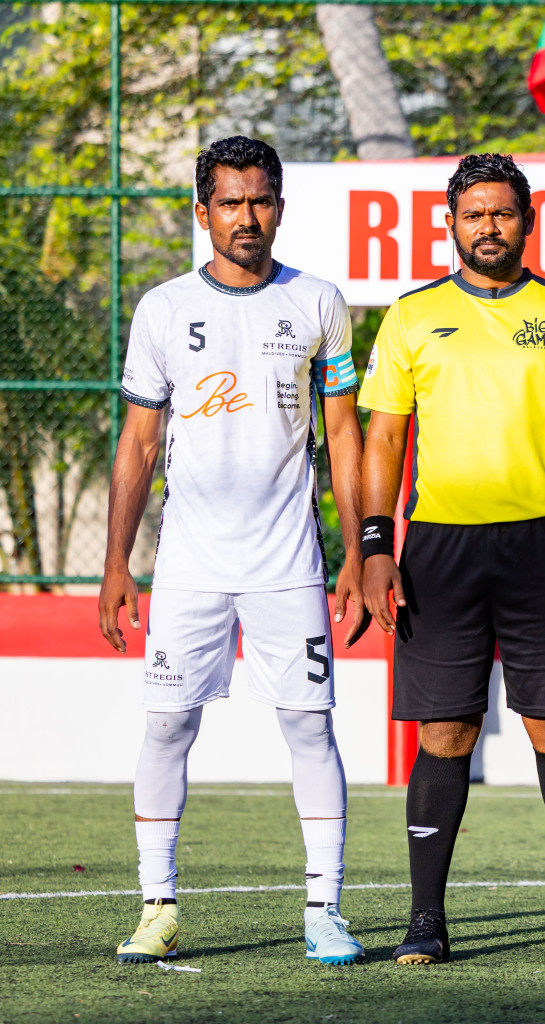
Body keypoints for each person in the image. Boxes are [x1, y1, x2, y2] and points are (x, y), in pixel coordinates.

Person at [98, 136, 368, 966]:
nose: (245, 217)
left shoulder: (318, 302)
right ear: (201, 211)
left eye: (259, 201)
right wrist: (116, 563)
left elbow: (344, 436)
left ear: (279, 208)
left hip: (289, 563)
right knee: (167, 724)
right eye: (229, 202)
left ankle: (324, 908)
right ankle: (158, 906)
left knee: (310, 727)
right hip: (189, 565)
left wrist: (359, 552)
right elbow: (139, 443)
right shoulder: (163, 309)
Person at [357, 153, 545, 967]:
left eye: (502, 213)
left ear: (527, 222)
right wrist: (376, 546)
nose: (488, 226)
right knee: (446, 731)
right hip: (440, 548)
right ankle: (425, 921)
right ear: (451, 223)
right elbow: (383, 438)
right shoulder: (412, 317)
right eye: (473, 213)